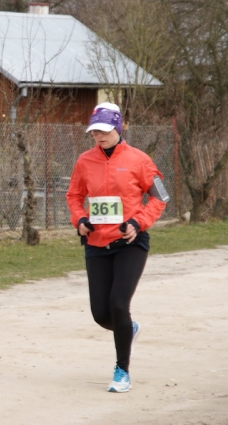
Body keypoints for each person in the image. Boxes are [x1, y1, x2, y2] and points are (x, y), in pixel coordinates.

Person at [65, 103, 169, 393]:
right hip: (96, 243)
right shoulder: (85, 161)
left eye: (104, 131)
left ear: (118, 128)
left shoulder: (140, 160)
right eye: (94, 131)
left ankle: (122, 371)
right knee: (101, 314)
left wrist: (140, 221)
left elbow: (160, 197)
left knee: (119, 304)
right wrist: (80, 219)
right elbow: (74, 195)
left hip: (129, 243)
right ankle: (127, 329)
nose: (99, 136)